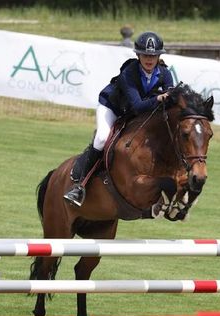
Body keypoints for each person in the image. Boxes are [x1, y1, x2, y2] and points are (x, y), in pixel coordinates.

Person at [63, 31, 175, 207]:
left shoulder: (164, 73)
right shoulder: (129, 73)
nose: (149, 59)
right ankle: (79, 185)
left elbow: (171, 98)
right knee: (101, 139)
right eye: (145, 54)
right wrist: (160, 98)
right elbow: (138, 105)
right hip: (113, 108)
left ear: (158, 56)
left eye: (153, 55)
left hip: (135, 114)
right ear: (138, 55)